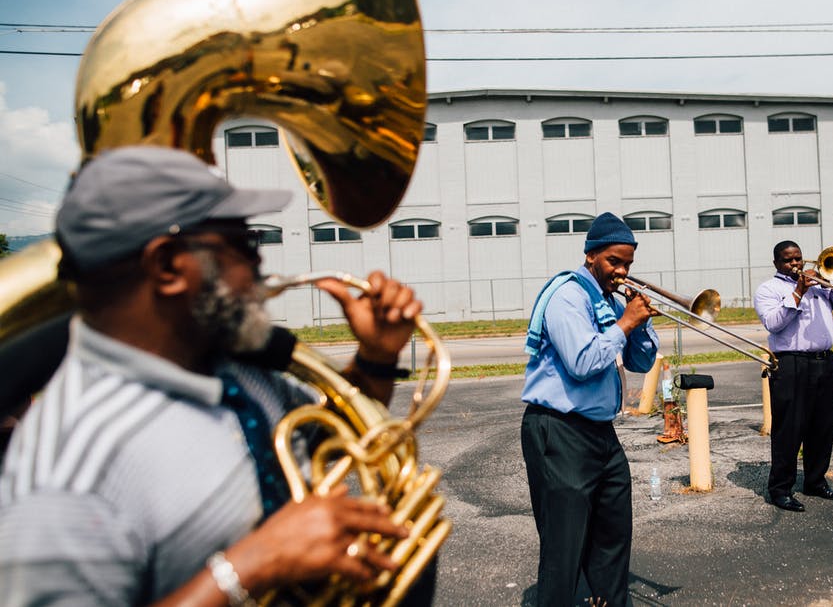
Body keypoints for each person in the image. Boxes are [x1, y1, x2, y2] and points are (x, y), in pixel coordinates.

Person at [0, 146, 430, 605]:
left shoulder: (233, 371)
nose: (259, 264)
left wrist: (376, 357)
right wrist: (249, 567)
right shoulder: (64, 474)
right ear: (167, 266)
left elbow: (335, 445)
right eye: (243, 244)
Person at [520, 212, 659, 607]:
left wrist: (640, 323)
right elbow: (582, 362)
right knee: (564, 548)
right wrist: (626, 323)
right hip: (558, 430)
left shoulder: (608, 300)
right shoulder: (568, 296)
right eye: (614, 261)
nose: (621, 271)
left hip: (599, 432)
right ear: (591, 255)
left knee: (613, 534)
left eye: (628, 264)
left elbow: (641, 364)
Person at [754, 241, 833, 512]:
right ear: (776, 263)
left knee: (822, 427)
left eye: (798, 258)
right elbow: (774, 323)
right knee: (789, 429)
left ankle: (815, 481)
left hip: (824, 362)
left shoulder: (819, 284)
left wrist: (826, 281)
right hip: (791, 363)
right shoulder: (768, 289)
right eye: (788, 260)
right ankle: (780, 489)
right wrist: (799, 291)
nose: (796, 264)